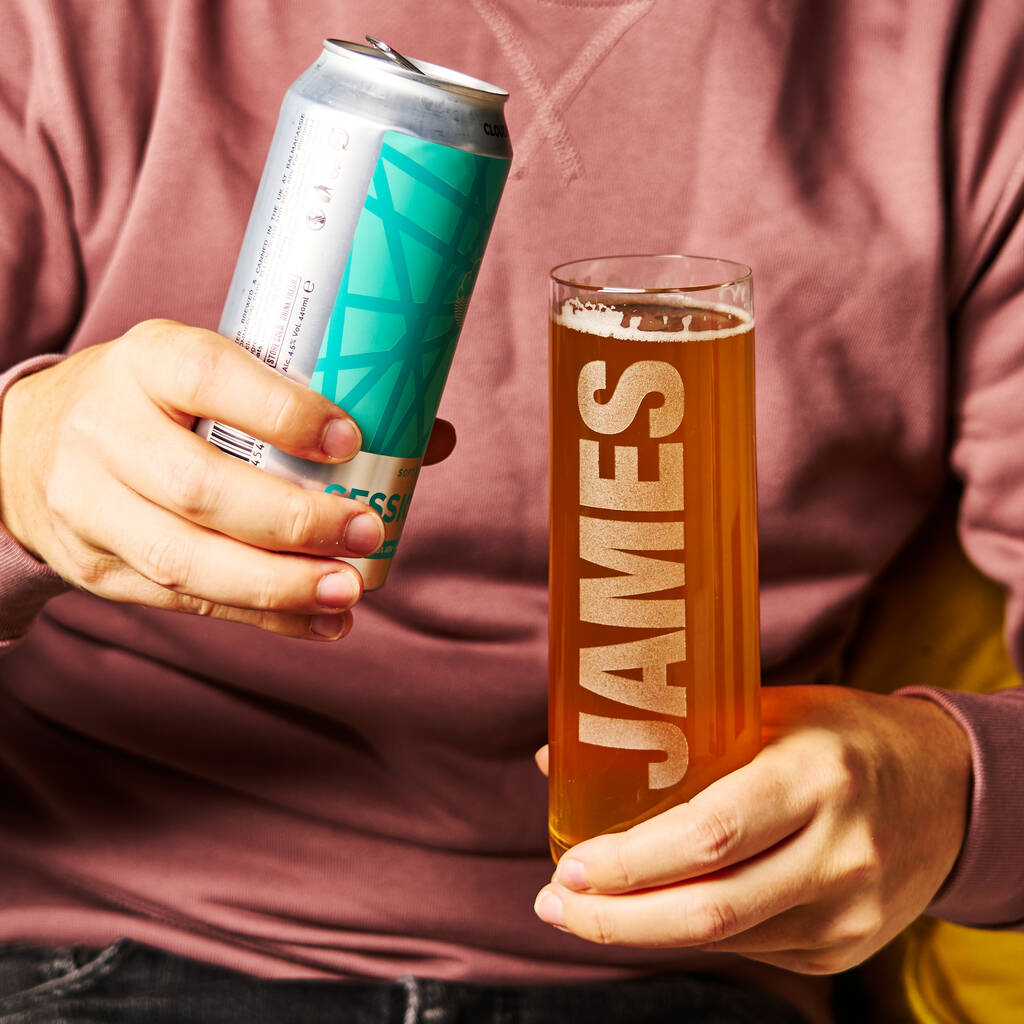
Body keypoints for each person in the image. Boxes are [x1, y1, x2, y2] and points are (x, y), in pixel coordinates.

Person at [0, 1, 1021, 1022]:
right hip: (111, 941)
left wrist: (952, 794)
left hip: (676, 972)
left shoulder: (966, 48)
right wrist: (20, 467)